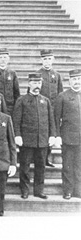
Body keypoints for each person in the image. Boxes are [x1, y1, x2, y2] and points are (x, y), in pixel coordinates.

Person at [13, 73, 55, 200]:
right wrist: (18, 135)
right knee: (25, 166)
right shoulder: (22, 100)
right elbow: (16, 120)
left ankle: (39, 190)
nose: (37, 86)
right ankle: (25, 190)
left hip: (42, 140)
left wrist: (52, 135)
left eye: (39, 83)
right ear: (29, 83)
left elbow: (51, 120)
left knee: (41, 166)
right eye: (35, 83)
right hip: (27, 140)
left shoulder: (45, 100)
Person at [54, 69, 81, 200]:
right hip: (68, 137)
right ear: (69, 81)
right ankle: (68, 190)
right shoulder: (62, 96)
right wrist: (57, 135)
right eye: (74, 79)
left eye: (79, 79)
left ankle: (78, 190)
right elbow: (56, 117)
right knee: (68, 165)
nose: (77, 82)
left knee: (79, 165)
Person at [35, 49, 63, 168]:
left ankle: (47, 157)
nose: (47, 61)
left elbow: (61, 94)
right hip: (41, 109)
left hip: (54, 109)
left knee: (53, 132)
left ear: (53, 60)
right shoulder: (37, 75)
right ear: (41, 60)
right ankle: (39, 158)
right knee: (42, 132)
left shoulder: (56, 75)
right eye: (45, 59)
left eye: (49, 59)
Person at [0, 48, 20, 115]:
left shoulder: (12, 73)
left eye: (5, 57)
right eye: (0, 57)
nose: (3, 59)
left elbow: (16, 92)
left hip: (10, 106)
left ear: (8, 59)